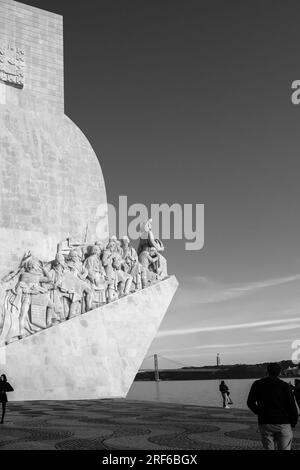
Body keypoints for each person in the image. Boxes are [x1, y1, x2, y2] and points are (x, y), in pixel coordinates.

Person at [247, 362, 298, 450]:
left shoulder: (257, 384)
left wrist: (261, 412)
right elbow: (292, 406)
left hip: (265, 422)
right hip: (283, 423)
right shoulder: (285, 386)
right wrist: (293, 423)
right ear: (279, 372)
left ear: (267, 371)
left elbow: (250, 402)